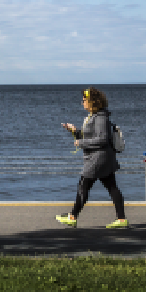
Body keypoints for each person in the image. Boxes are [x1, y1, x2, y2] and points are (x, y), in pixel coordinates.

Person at [56, 87, 128, 229]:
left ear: (93, 101)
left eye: (84, 100)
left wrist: (80, 143)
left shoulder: (100, 117)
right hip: (101, 158)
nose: (82, 103)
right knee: (112, 187)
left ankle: (72, 217)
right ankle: (121, 219)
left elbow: (102, 139)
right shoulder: (95, 116)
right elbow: (91, 136)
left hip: (97, 160)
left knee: (83, 186)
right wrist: (74, 131)